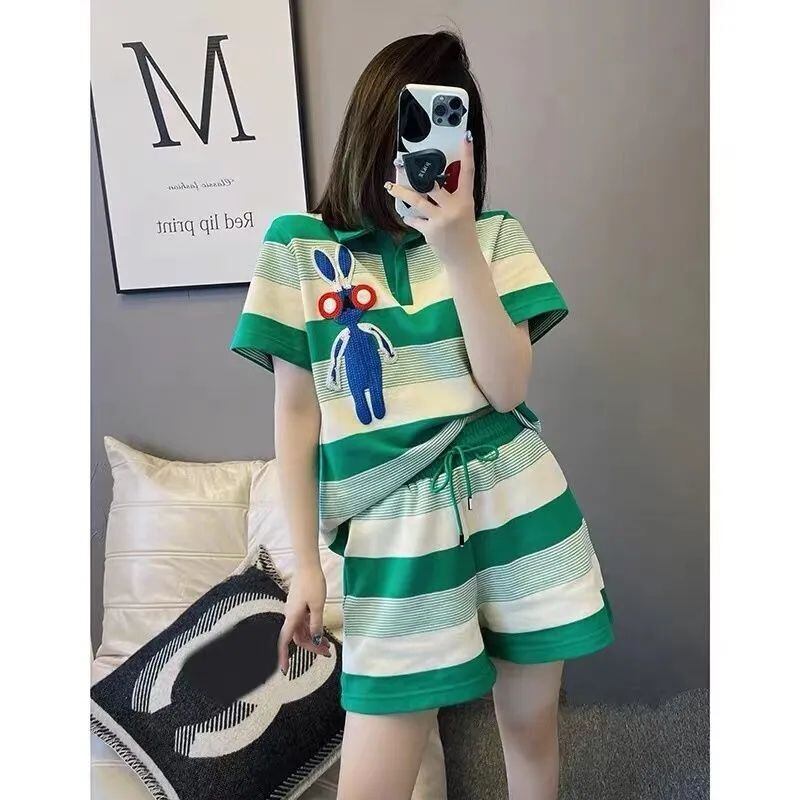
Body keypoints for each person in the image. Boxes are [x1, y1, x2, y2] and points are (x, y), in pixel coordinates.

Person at [230, 30, 613, 800]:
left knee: (531, 732)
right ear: (377, 124)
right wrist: (307, 566)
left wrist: (458, 246)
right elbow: (298, 417)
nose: (434, 146)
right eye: (416, 122)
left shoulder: (494, 237)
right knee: (375, 771)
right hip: (397, 534)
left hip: (518, 504)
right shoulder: (297, 248)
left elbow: (506, 389)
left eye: (452, 125)